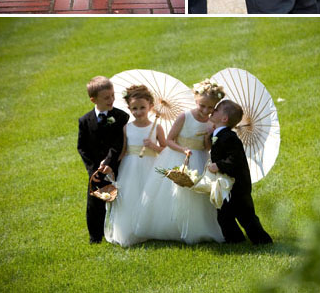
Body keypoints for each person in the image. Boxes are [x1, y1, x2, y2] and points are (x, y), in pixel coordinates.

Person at [136, 79, 226, 243]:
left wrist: (207, 136)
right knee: (173, 193)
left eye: (210, 107)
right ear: (196, 101)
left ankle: (197, 227)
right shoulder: (185, 117)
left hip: (199, 158)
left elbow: (206, 148)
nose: (206, 110)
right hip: (178, 156)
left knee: (196, 194)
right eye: (202, 106)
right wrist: (183, 149)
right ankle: (171, 227)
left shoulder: (211, 122)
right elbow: (170, 140)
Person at [104, 84, 165, 246]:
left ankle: (150, 228)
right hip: (130, 167)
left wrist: (154, 147)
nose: (138, 112)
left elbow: (165, 149)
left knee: (150, 195)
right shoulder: (127, 128)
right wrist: (111, 167)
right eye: (134, 109)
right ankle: (130, 229)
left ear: (151, 106)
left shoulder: (156, 128)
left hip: (150, 165)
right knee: (130, 195)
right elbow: (123, 150)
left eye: (142, 108)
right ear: (129, 109)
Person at [208, 99, 272, 244]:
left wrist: (218, 165)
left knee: (246, 215)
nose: (213, 110)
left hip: (238, 185)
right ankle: (235, 239)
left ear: (224, 118)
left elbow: (235, 159)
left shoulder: (230, 137)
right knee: (224, 214)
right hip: (225, 184)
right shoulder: (217, 134)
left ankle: (262, 240)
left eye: (216, 109)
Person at [77, 76, 129, 245]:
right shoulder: (84, 121)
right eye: (106, 97)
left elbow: (119, 143)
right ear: (93, 99)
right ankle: (95, 237)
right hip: (96, 171)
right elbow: (82, 147)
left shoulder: (121, 117)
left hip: (116, 165)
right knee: (94, 203)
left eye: (113, 95)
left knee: (120, 199)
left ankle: (120, 231)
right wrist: (93, 169)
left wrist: (109, 162)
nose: (111, 100)